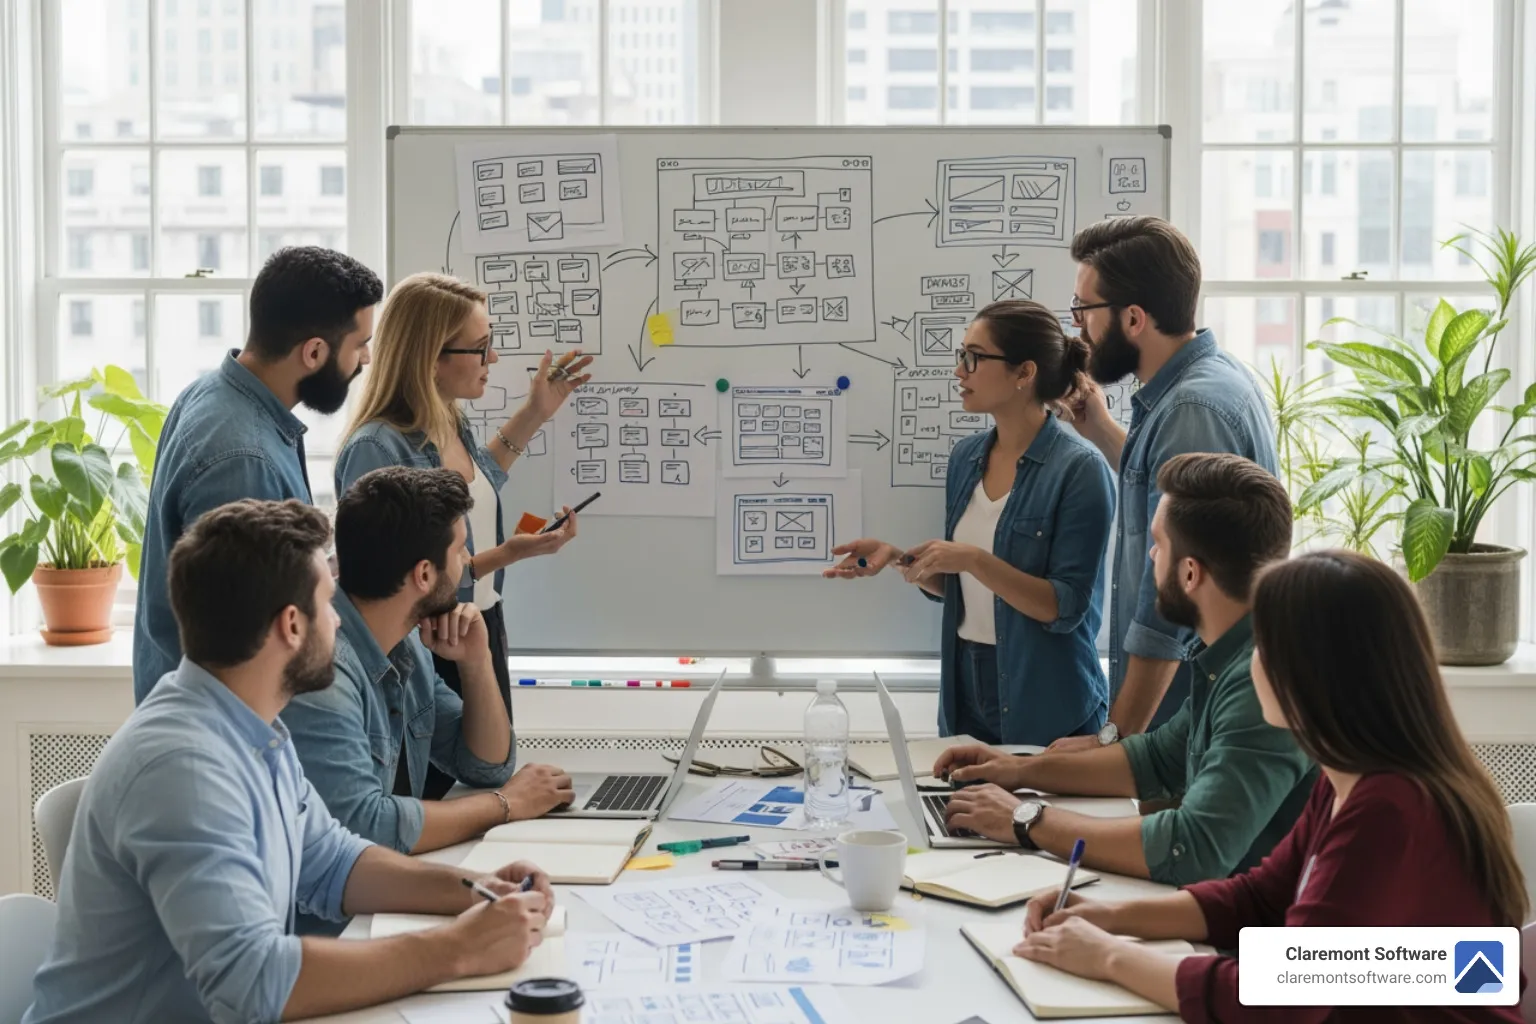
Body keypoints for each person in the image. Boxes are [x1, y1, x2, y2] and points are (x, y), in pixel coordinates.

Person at [26, 500, 557, 1024]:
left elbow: (335, 863)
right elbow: (255, 984)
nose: (339, 622)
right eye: (327, 603)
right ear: (291, 626)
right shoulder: (182, 768)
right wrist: (458, 948)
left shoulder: (255, 728)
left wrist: (478, 890)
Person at [1012, 551, 1527, 1023]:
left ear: (1309, 672)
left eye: (1263, 644)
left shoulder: (1390, 808)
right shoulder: (1349, 778)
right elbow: (1261, 900)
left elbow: (1285, 994)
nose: (1251, 659)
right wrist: (1111, 917)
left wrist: (1108, 955)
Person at [934, 453, 1314, 886]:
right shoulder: (1232, 655)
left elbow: (1194, 847)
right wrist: (1017, 769)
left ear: (1190, 573)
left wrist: (1027, 819)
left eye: (1159, 544)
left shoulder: (1261, 681)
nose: (1151, 556)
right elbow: (1156, 760)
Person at [335, 272, 591, 796]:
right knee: (424, 799)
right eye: (480, 348)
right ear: (431, 358)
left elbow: (474, 490)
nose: (492, 359)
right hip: (428, 643)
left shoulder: (450, 421)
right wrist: (506, 555)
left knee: (487, 775)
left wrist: (536, 412)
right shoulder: (377, 448)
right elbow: (393, 575)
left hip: (477, 627)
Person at [825, 300, 1115, 745]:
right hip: (966, 688)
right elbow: (967, 588)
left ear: (1024, 373)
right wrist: (901, 559)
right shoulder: (965, 458)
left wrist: (974, 560)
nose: (960, 371)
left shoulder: (1079, 469)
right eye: (961, 355)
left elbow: (1064, 607)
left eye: (974, 357)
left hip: (1047, 698)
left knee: (1035, 815)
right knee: (956, 813)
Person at [282, 467, 573, 900]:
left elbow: (486, 765)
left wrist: (477, 661)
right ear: (423, 574)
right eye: (460, 551)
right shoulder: (323, 671)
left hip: (390, 891)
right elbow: (366, 827)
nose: (466, 563)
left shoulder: (406, 641)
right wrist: (507, 806)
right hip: (332, 926)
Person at [1053, 217, 1278, 751]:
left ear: (1133, 318)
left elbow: (1173, 593)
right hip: (1183, 714)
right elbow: (1164, 487)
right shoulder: (1203, 384)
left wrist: (1116, 738)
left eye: (1084, 309)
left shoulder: (1191, 411)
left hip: (1186, 720)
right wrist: (1103, 432)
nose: (1078, 327)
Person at [133, 246, 384, 703]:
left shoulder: (215, 394)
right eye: (360, 344)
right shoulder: (243, 459)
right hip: (225, 734)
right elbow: (250, 645)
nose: (365, 359)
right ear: (313, 352)